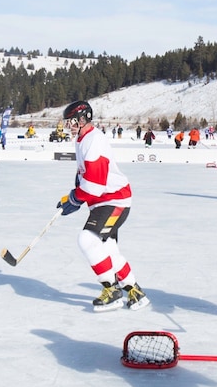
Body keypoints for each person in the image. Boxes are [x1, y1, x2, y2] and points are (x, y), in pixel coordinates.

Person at [55, 100, 149, 312]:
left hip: (114, 200)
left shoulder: (94, 141)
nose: (67, 126)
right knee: (107, 249)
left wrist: (75, 199)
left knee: (87, 239)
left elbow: (95, 185)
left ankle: (112, 291)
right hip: (102, 202)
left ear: (82, 119)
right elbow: (85, 175)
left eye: (71, 122)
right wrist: (74, 193)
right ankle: (135, 291)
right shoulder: (82, 139)